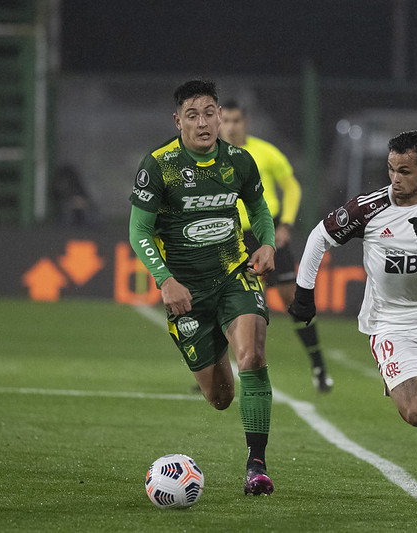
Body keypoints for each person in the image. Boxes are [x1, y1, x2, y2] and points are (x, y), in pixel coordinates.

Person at [288, 130, 417, 513]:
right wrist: (305, 291)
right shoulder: (369, 208)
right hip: (390, 322)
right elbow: (320, 236)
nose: (395, 179)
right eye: (390, 169)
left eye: (404, 171)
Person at [128, 79, 276, 496]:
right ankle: (220, 336)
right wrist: (166, 280)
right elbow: (138, 231)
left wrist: (265, 242)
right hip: (186, 293)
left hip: (234, 274)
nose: (203, 122)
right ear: (178, 121)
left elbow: (258, 207)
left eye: (209, 112)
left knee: (253, 357)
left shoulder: (239, 161)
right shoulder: (159, 165)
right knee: (221, 398)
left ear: (219, 115)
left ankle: (257, 467)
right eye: (192, 115)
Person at [219, 100, 333, 393]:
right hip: (231, 237)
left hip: (265, 233)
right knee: (227, 303)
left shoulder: (266, 152)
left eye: (236, 120)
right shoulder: (213, 155)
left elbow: (292, 187)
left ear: (246, 122)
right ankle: (218, 371)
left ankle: (318, 365)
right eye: (226, 121)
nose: (231, 126)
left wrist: (285, 225)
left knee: (293, 300)